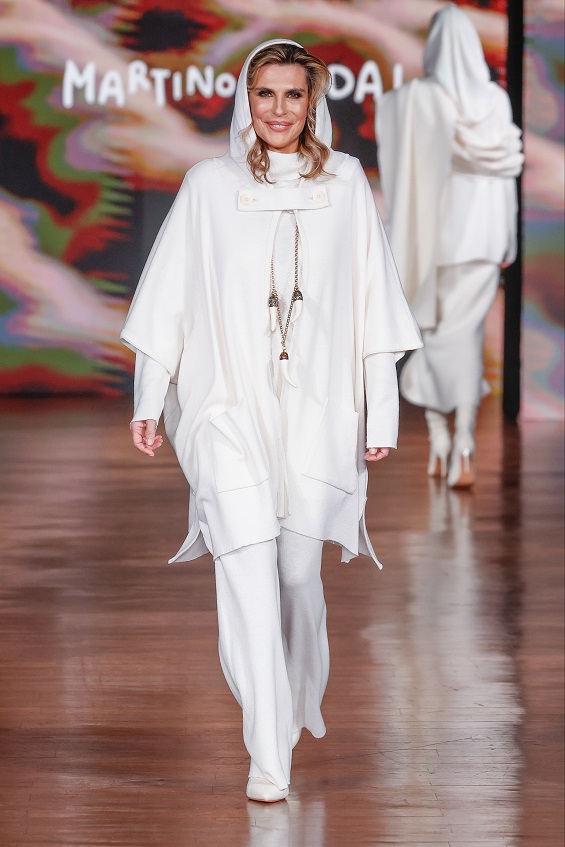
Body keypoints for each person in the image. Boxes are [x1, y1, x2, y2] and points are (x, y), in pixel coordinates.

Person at [121, 39, 422, 802]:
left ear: (312, 102)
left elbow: (373, 303)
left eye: (293, 94)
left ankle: (289, 699)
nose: (279, 109)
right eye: (265, 93)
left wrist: (380, 409)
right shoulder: (208, 185)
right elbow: (168, 299)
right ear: (245, 99)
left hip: (317, 408)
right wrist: (150, 397)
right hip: (226, 404)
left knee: (294, 576)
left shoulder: (344, 183)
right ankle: (266, 750)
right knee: (246, 565)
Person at [377, 4, 524, 488]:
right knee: (463, 340)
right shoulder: (495, 101)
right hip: (483, 240)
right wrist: (508, 236)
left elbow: (401, 163)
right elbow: (506, 175)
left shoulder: (420, 98)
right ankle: (462, 439)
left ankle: (441, 439)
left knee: (433, 335)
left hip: (434, 241)